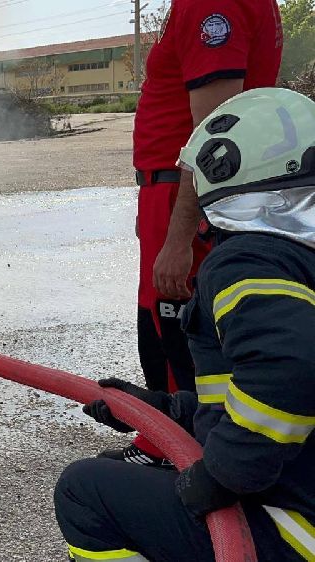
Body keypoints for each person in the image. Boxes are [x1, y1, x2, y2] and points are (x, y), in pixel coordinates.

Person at [55, 88, 315, 561]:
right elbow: (260, 391)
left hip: (297, 527)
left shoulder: (249, 258)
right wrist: (166, 410)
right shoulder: (300, 254)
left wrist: (220, 477)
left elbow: (291, 367)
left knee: (83, 490)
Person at [114, 0, 283, 467]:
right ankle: (181, 443)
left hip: (184, 193)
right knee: (169, 319)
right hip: (170, 191)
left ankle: (175, 451)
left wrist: (177, 235)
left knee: (174, 323)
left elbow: (215, 137)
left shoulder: (211, 3)